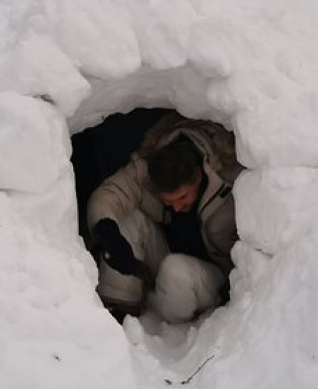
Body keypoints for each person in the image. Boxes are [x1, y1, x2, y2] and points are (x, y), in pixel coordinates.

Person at [88, 113, 242, 322]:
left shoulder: (228, 173)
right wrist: (108, 234)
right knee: (122, 218)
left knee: (175, 269)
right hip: (165, 256)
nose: (177, 207)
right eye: (168, 202)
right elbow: (109, 194)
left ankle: (169, 329)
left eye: (183, 197)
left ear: (198, 177)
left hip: (214, 277)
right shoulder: (148, 168)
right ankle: (118, 310)